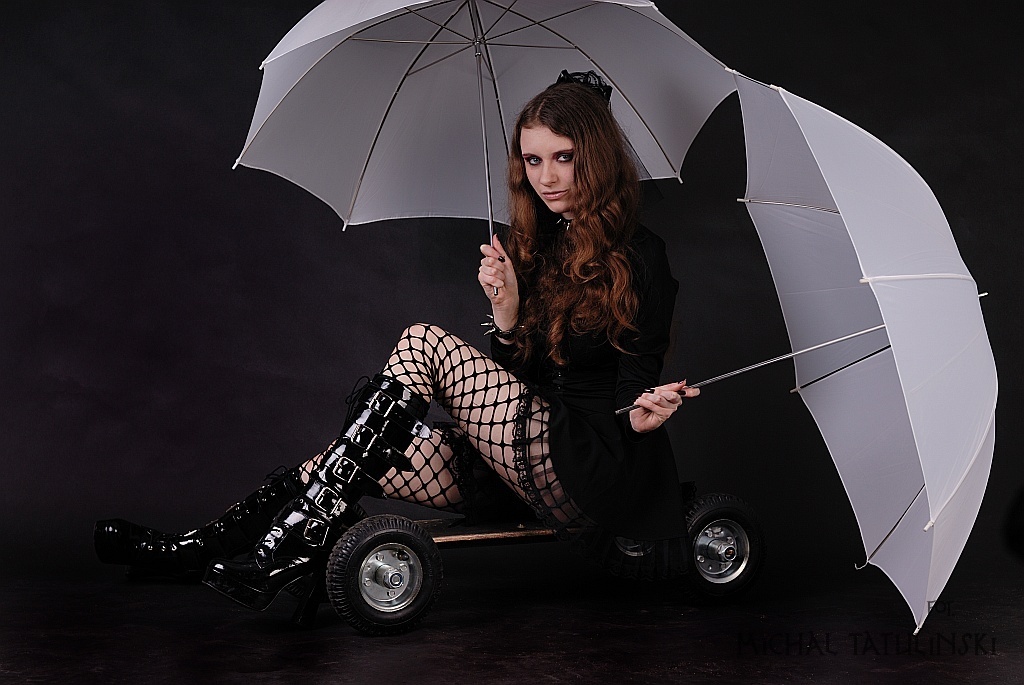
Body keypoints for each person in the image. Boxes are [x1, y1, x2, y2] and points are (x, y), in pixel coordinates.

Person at [94, 70, 698, 612]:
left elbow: (633, 382)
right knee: (341, 462)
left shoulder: (643, 257)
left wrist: (641, 413)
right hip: (519, 461)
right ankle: (193, 551)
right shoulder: (533, 248)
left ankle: (285, 551)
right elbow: (525, 382)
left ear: (596, 158)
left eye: (562, 157)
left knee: (422, 341)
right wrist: (508, 314)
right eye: (532, 160)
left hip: (590, 464)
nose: (546, 177)